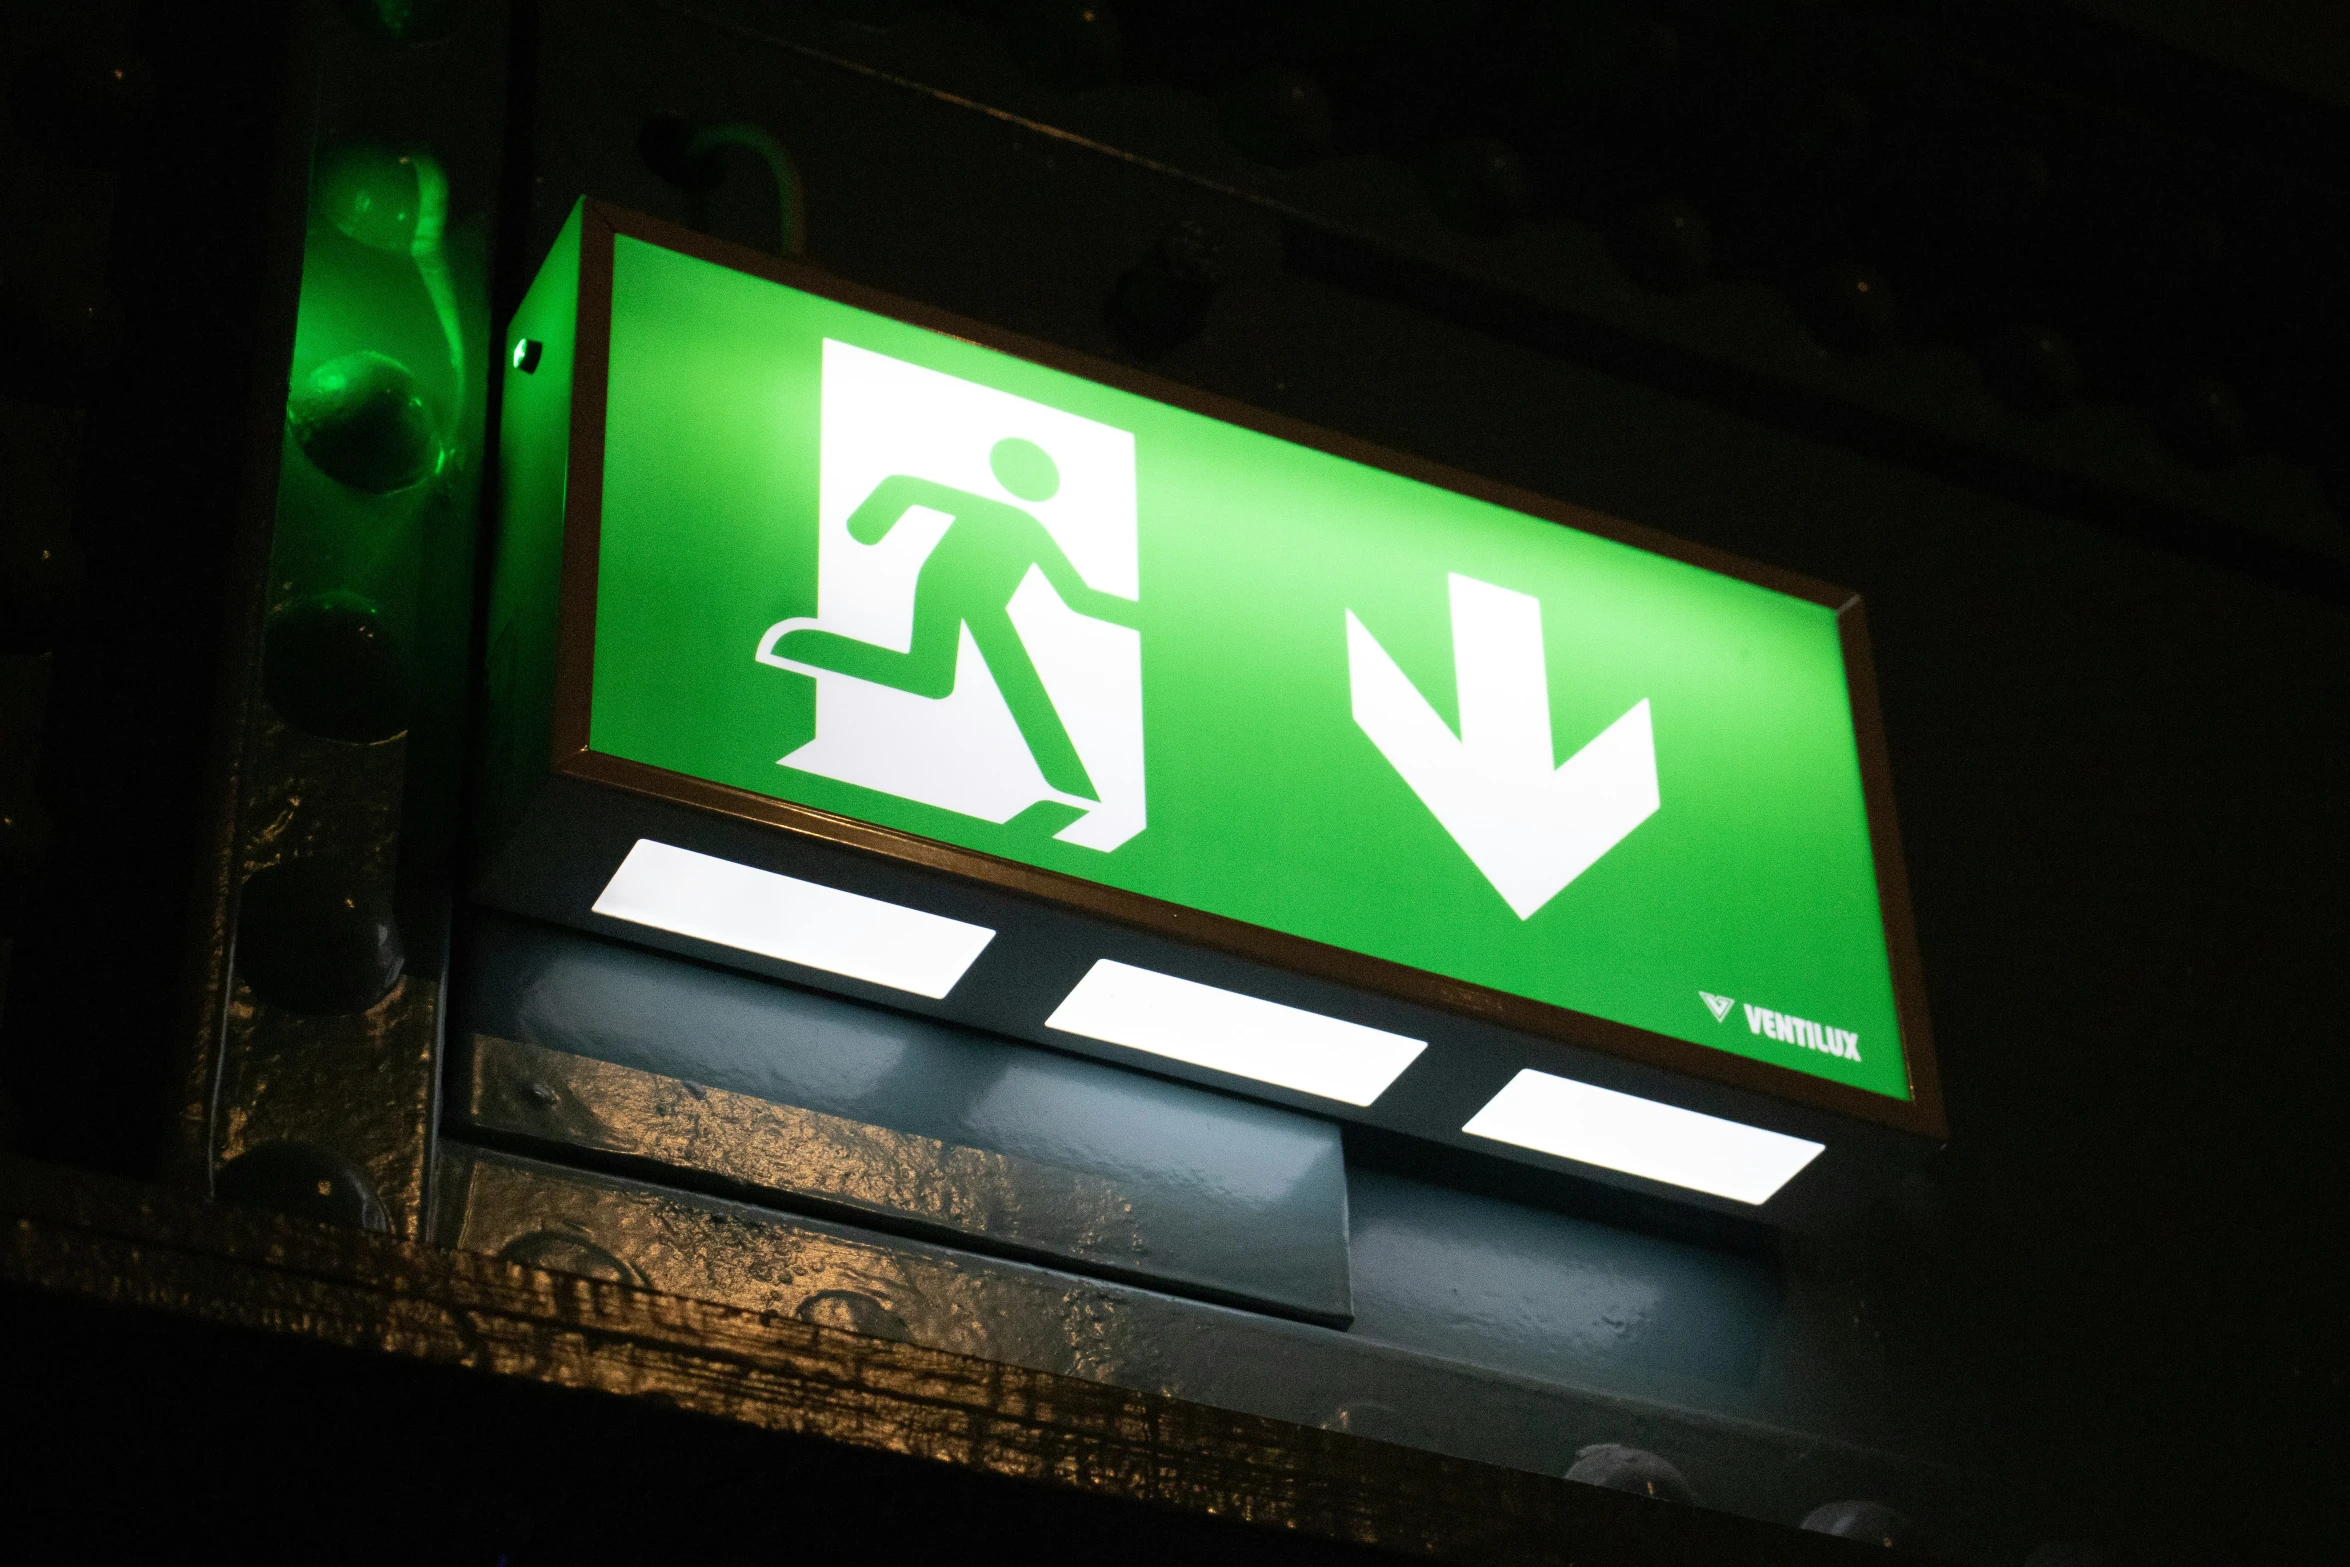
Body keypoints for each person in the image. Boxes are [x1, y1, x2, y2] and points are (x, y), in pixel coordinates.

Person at [769, 436, 1133, 801]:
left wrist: (1133, 618)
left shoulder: (1029, 528)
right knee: (985, 676)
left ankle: (806, 647)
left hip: (985, 604)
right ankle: (1070, 781)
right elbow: (907, 488)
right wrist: (870, 523)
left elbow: (1075, 594)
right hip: (946, 589)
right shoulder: (1004, 517)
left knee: (929, 677)